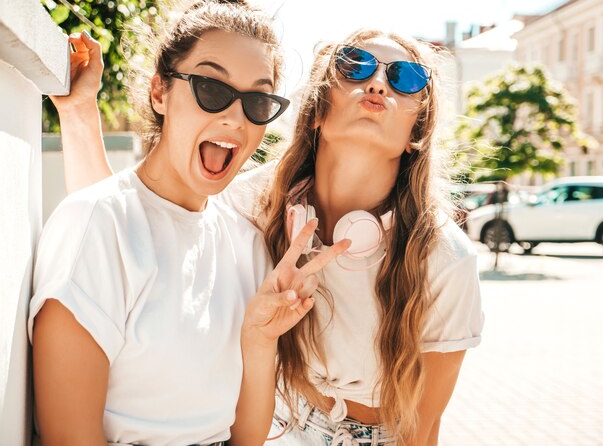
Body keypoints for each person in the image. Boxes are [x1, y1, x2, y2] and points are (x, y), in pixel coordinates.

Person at [57, 25, 484, 444]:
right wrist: (79, 115)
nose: (376, 84)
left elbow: (422, 430)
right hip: (277, 418)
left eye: (405, 78)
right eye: (355, 67)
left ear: (417, 132)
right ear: (316, 110)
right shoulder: (251, 204)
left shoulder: (445, 258)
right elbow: (126, 225)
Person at [28, 0, 348, 446]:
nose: (236, 120)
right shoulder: (94, 223)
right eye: (212, 89)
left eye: (257, 102)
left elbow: (245, 435)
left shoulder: (247, 243)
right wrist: (80, 113)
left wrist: (260, 338)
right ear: (161, 91)